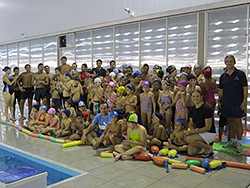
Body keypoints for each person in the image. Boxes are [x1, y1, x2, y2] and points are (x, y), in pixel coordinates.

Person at [219, 55, 248, 153]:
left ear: (234, 62)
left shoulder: (240, 74)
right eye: (227, 61)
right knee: (230, 122)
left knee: (237, 122)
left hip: (237, 103)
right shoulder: (223, 76)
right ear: (225, 63)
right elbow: (221, 90)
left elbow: (245, 89)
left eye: (231, 61)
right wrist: (219, 101)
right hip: (226, 104)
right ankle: (232, 140)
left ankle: (239, 143)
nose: (229, 63)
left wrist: (244, 101)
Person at [185, 90, 216, 157]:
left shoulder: (206, 108)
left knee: (189, 139)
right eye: (193, 96)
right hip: (199, 132)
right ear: (191, 97)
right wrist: (194, 131)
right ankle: (203, 144)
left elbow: (208, 127)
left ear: (201, 97)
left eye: (197, 96)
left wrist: (194, 132)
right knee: (191, 152)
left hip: (209, 133)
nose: (195, 98)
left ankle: (208, 147)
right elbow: (191, 124)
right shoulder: (192, 109)